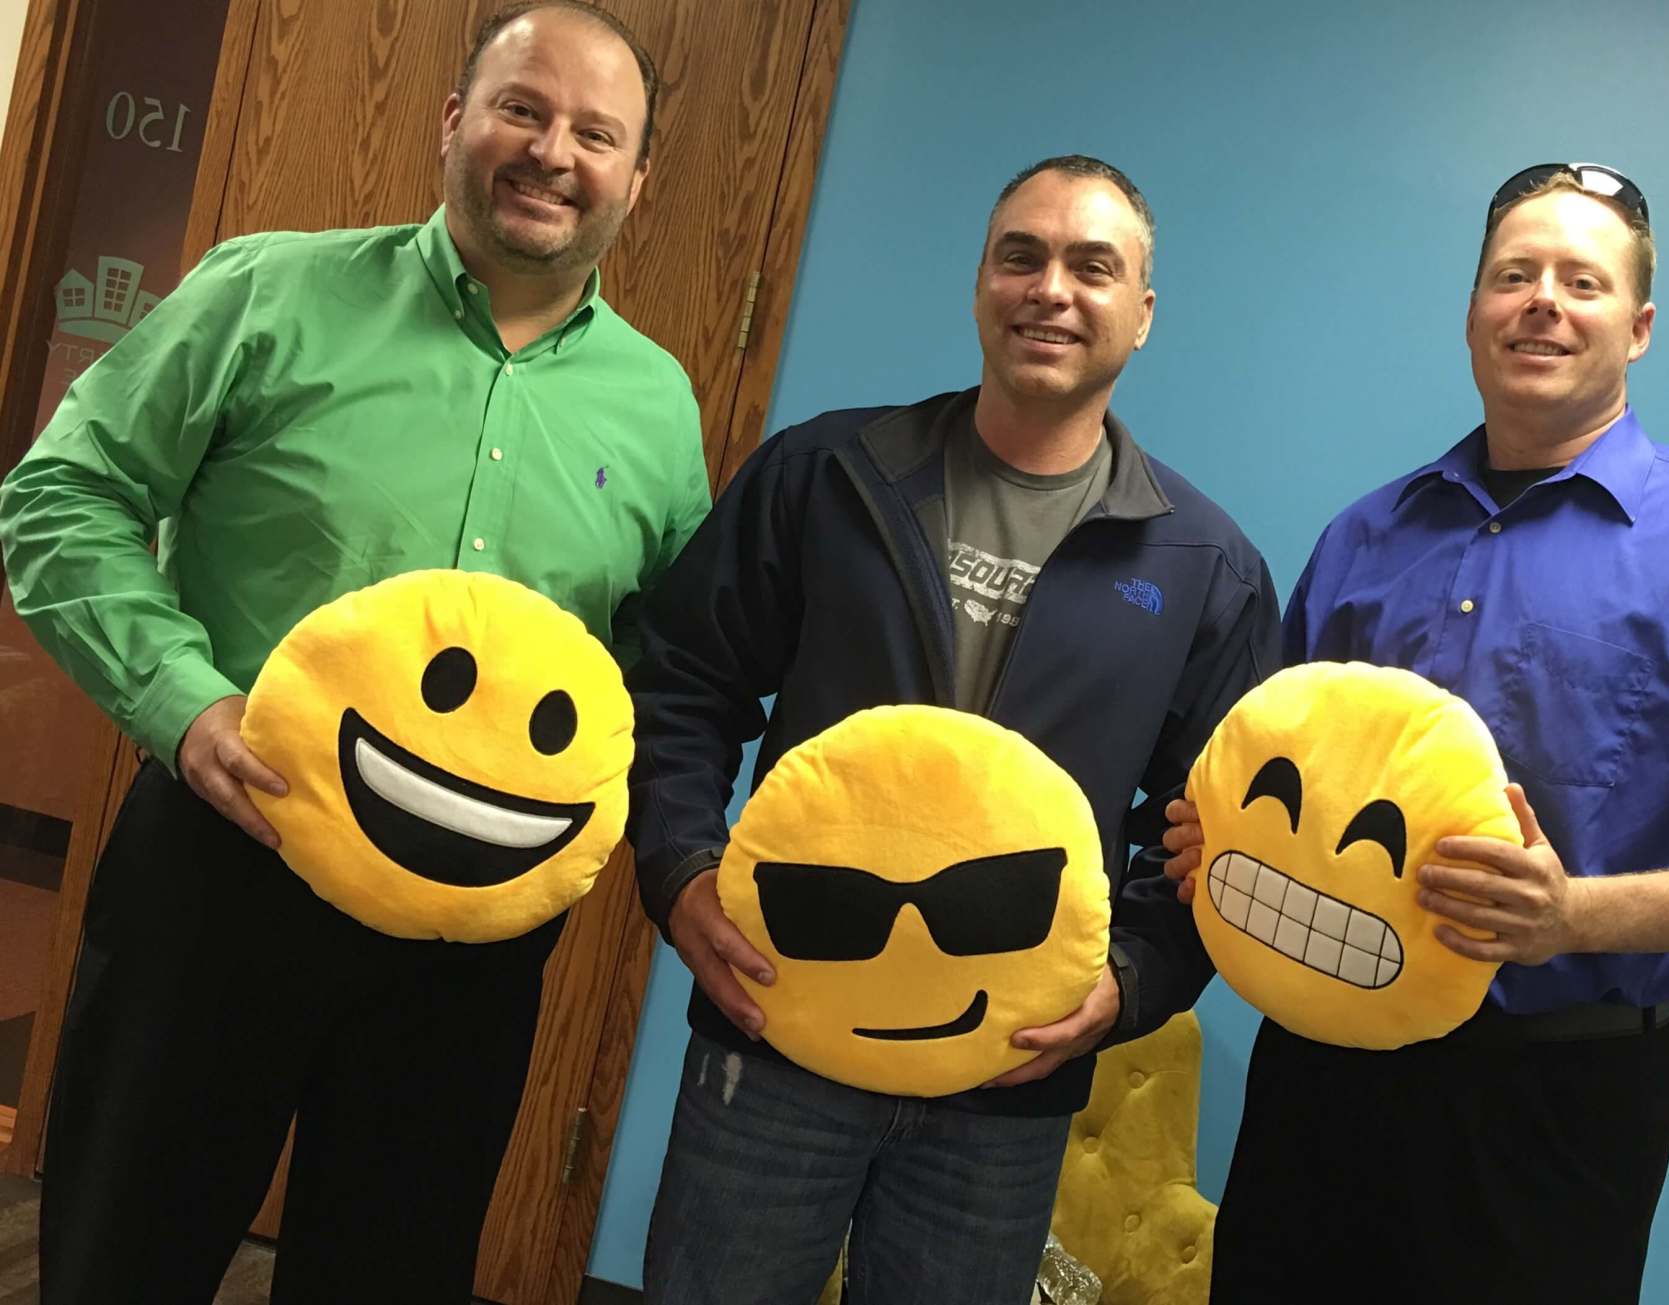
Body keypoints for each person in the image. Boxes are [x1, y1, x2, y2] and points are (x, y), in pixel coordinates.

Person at [0, 4, 708, 1301]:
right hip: (223, 871)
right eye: (522, 109)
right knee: (124, 1250)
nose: (554, 150)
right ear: (453, 122)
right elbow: (60, 496)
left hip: (474, 931)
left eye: (595, 133)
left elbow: (657, 661)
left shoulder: (660, 406)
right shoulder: (267, 291)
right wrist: (188, 703)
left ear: (638, 178)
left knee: (391, 1270)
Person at [1164, 162, 1669, 1303]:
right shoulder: (1366, 538)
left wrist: (1577, 918)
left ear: (1640, 326)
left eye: (1583, 280)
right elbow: (1279, 788)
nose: (1543, 302)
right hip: (1319, 1083)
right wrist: (1213, 852)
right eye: (1514, 275)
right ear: (1474, 310)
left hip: (1558, 1111)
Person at [625, 153, 1279, 1303]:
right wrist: (682, 871)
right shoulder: (829, 475)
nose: (1050, 289)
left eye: (1093, 266)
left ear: (1143, 314)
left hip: (1007, 1085)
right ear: (981, 280)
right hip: (783, 1030)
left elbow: (1209, 839)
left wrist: (1130, 981)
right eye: (1019, 256)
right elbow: (679, 683)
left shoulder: (1205, 569)